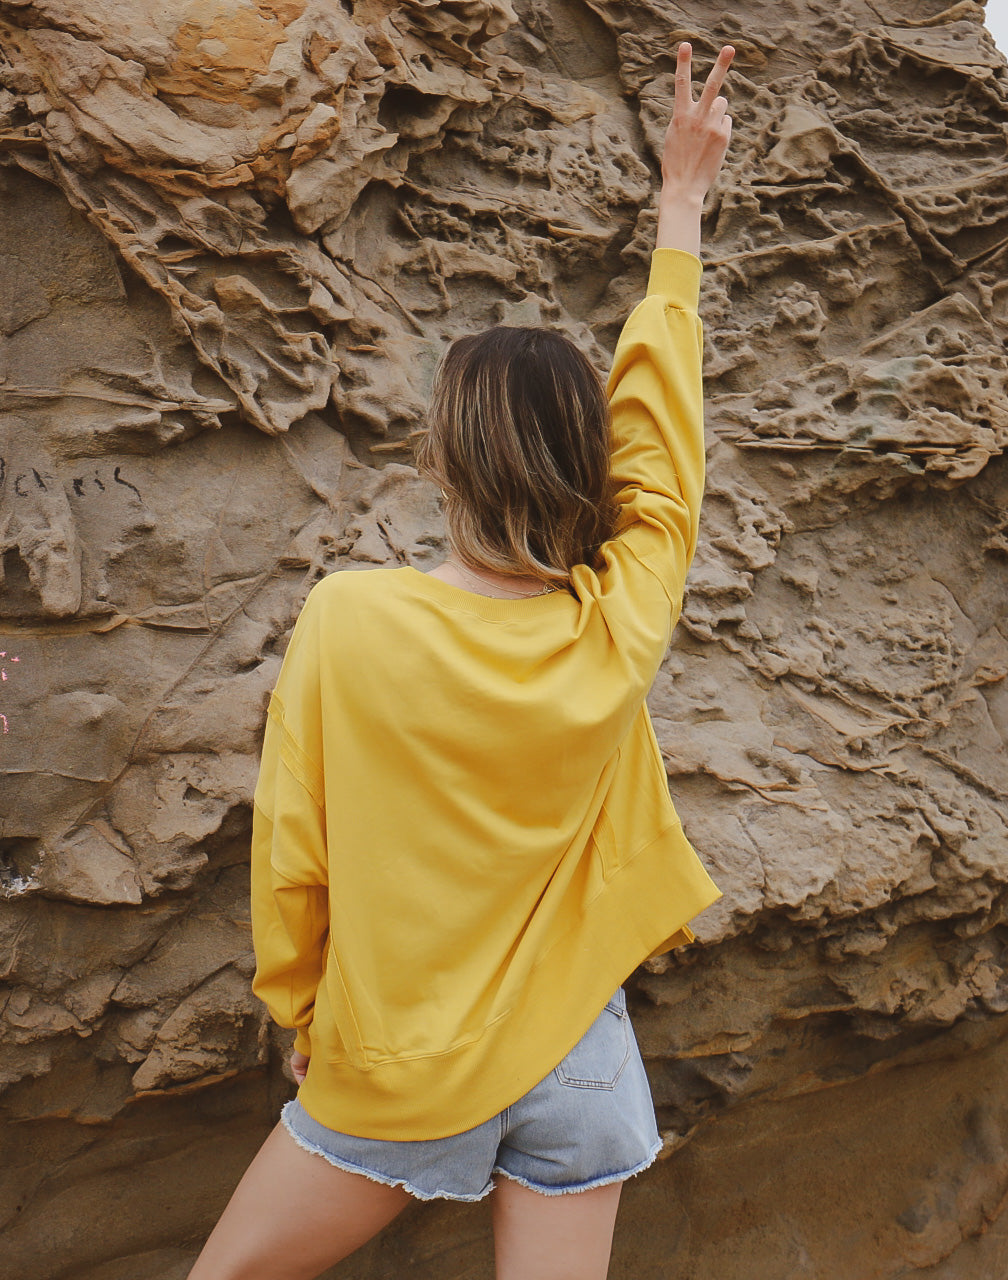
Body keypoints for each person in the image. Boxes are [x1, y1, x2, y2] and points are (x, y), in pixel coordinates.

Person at [188, 40, 735, 1280]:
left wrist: (302, 1015)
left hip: (398, 1065)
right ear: (589, 472)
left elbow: (295, 846)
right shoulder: (616, 619)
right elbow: (664, 452)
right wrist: (680, 208)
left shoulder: (349, 620)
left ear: (439, 463)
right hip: (581, 1066)